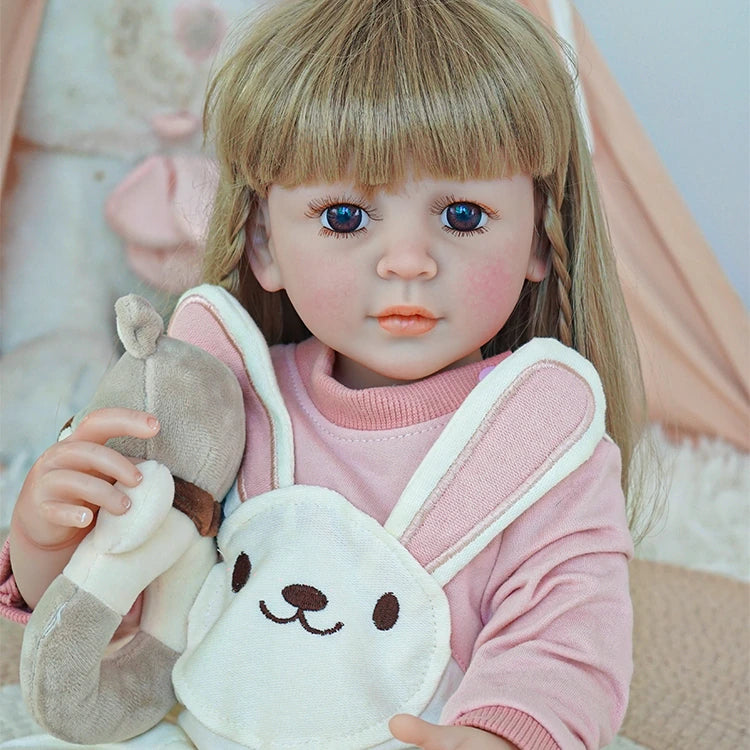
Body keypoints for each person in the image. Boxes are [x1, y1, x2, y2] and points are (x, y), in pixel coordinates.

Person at [2, 0, 654, 747]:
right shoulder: (227, 396)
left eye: (464, 216)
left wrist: (504, 734)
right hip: (214, 725)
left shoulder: (541, 440)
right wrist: (48, 535)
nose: (408, 260)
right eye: (345, 217)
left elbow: (570, 638)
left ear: (540, 238)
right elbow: (135, 604)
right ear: (264, 244)